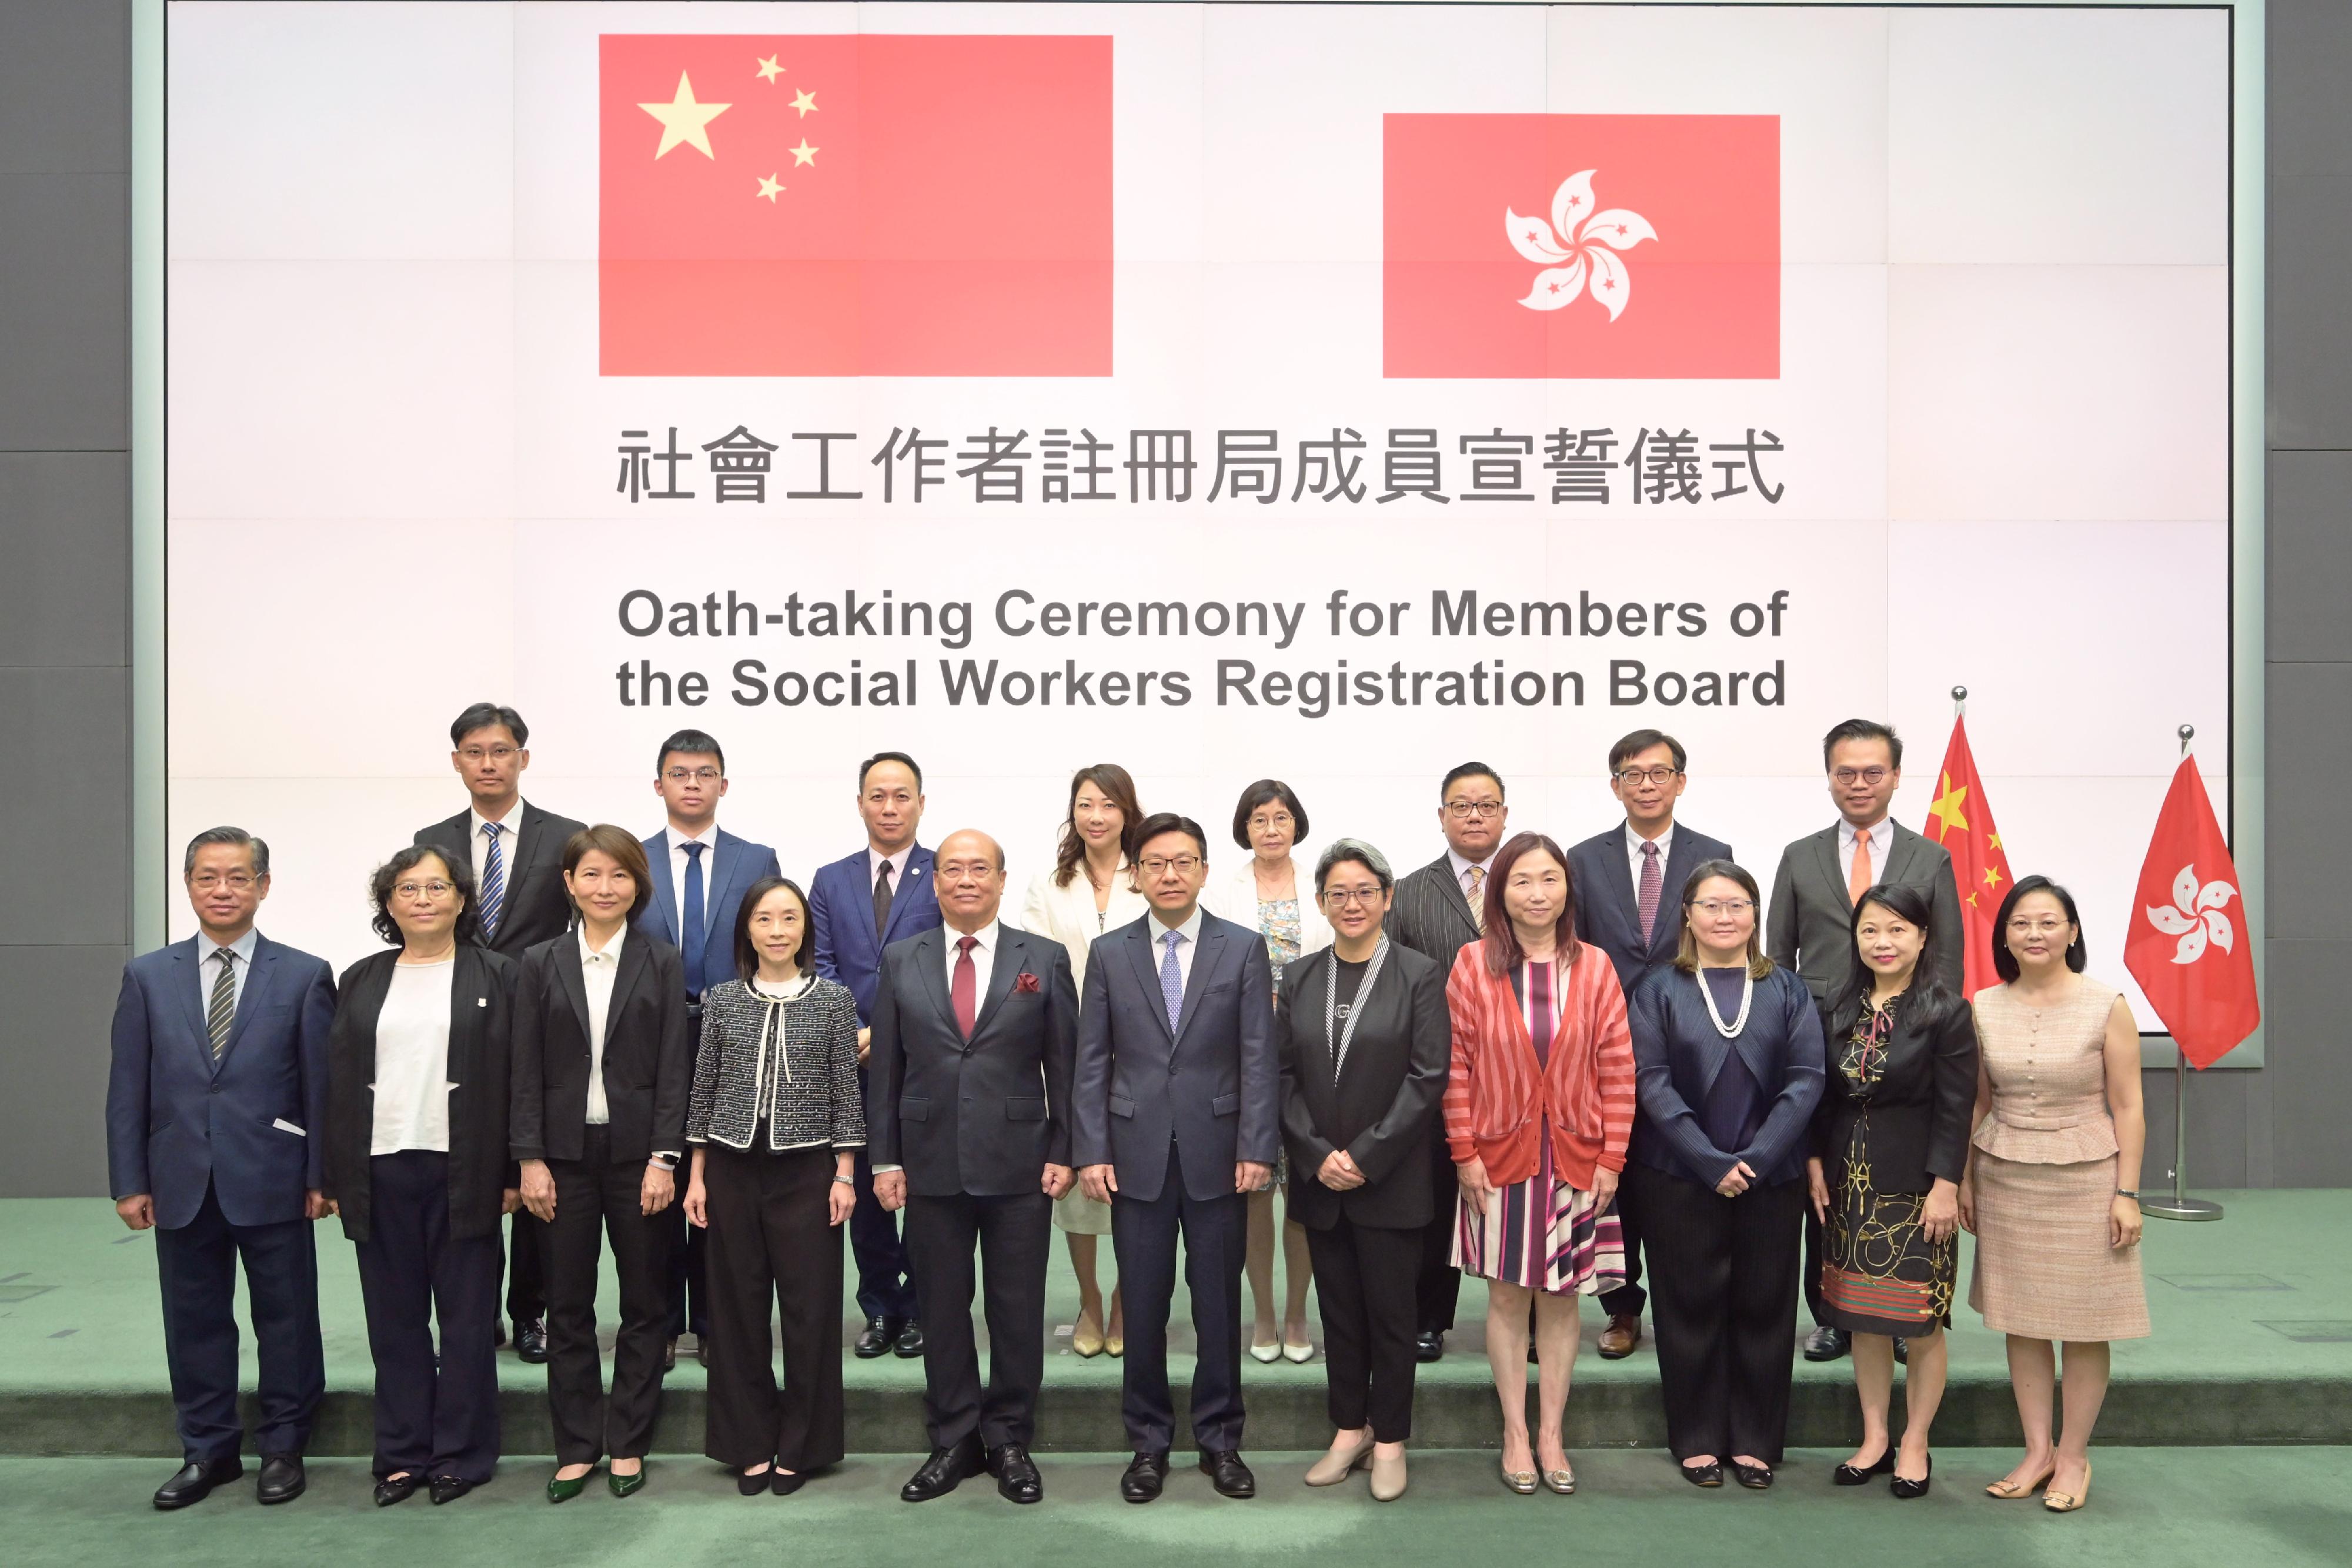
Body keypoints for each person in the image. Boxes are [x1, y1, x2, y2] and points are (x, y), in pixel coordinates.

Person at [106, 828, 336, 1510]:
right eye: (208, 877)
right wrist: (129, 1179)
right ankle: (207, 1451)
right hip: (179, 1178)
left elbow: (320, 1086)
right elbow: (128, 1085)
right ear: (188, 885)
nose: (223, 890)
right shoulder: (148, 975)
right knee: (195, 1319)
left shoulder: (303, 973)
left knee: (286, 1318)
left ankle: (284, 1446)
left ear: (263, 886)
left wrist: (321, 1175)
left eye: (238, 877)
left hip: (274, 1173)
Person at [1071, 812, 1277, 1504]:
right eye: (1155, 863)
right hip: (1134, 1159)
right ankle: (1148, 1444)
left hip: (1221, 1157)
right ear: (1136, 873)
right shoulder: (1109, 952)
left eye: (1183, 862)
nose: (1169, 874)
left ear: (1204, 871)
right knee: (1147, 1303)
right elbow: (1091, 1060)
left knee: (1218, 1305)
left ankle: (1221, 1441)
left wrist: (1256, 1146)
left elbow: (1258, 1055)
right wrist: (1092, 1150)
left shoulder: (1242, 948)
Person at [869, 830, 1079, 1506]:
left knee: (1016, 1308)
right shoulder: (902, 958)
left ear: (1000, 878)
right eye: (952, 869)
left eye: (978, 869)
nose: (965, 880)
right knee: (941, 1306)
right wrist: (885, 1157)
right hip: (928, 1165)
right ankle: (955, 1436)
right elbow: (888, 1073)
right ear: (935, 882)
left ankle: (1010, 1436)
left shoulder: (1041, 958)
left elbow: (1066, 1066)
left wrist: (1065, 1149)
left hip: (1022, 1166)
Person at [322, 845, 518, 1506]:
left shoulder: (498, 975)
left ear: (462, 900)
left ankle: (461, 1455)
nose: (424, 898)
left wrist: (517, 1170)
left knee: (466, 1322)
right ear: (389, 903)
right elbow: (336, 1080)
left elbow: (522, 1080)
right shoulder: (362, 978)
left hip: (465, 1168)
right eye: (409, 888)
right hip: (378, 1169)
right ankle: (403, 1454)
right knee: (395, 1322)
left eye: (438, 887)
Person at [1765, 718, 1962, 1364]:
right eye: (1845, 772)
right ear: (1828, 777)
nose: (1858, 783)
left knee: (1897, 1175)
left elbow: (1950, 962)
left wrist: (1929, 1034)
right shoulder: (1798, 855)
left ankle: (1903, 1312)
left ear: (1896, 777)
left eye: (1871, 772)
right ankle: (1831, 1314)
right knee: (1822, 1182)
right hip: (1820, 1044)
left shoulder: (1930, 858)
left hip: (1908, 1042)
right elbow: (1776, 957)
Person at [1623, 861, 1823, 1490]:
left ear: (1754, 915)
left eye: (1736, 905)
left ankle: (1757, 1441)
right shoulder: (1657, 988)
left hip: (1772, 1176)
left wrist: (1758, 1158)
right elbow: (1648, 1079)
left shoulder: (1786, 989)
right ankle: (1698, 1438)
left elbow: (1807, 1079)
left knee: (1765, 1307)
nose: (1724, 917)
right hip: (1678, 1176)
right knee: (1687, 1308)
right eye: (1710, 906)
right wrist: (1707, 1159)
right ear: (1687, 915)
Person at [1444, 831, 1632, 1496]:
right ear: (1501, 892)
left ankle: (1551, 1431)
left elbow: (1617, 1067)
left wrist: (1613, 1155)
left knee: (1561, 1298)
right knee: (1506, 1297)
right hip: (1499, 1160)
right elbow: (1456, 1067)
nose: (1537, 893)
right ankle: (1515, 1432)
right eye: (1522, 880)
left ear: (1566, 890)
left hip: (1577, 1158)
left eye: (1549, 879)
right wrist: (1463, 1151)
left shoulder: (1597, 967)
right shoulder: (1473, 964)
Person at [511, 826, 692, 1502]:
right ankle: (577, 1445)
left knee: (646, 1305)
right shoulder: (540, 961)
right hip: (561, 1158)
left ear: (637, 885)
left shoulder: (662, 960)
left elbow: (676, 1068)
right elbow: (523, 1068)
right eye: (590, 875)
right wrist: (528, 1158)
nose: (604, 888)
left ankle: (629, 1441)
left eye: (618, 876)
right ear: (569, 883)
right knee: (568, 1305)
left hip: (639, 1157)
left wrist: (664, 1158)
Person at [1959, 876, 2149, 1513]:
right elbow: (1978, 1101)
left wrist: (2127, 1192)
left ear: (2071, 932)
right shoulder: (1983, 1006)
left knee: (2084, 1323)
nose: (2034, 934)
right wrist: (1962, 1177)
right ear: (2003, 937)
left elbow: (2128, 1105)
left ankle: (2073, 1456)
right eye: (2020, 924)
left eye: (2047, 922)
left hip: (2088, 1177)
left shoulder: (2106, 1004)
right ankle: (2036, 1450)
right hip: (2005, 1173)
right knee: (2023, 1319)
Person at [1277, 840, 1448, 1503]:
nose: (1352, 904)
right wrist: (1318, 1155)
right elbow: (1283, 1076)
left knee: (1391, 1317)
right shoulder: (1299, 976)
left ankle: (1392, 1439)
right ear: (1321, 903)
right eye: (1338, 894)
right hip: (1321, 1180)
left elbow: (1427, 1077)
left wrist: (1367, 1156)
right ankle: (1349, 1429)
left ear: (1387, 897)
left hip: (1392, 1179)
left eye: (1364, 892)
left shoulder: (1418, 973)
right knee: (1340, 1314)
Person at [415, 701, 584, 1365]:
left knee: (537, 1170)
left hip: (544, 1021)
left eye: (501, 751)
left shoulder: (565, 835)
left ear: (524, 759)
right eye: (475, 753)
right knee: (474, 1171)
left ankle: (532, 1313)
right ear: (458, 761)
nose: (489, 763)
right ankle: (475, 1310)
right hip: (460, 1028)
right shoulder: (432, 839)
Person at [683, 876, 863, 1496]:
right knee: (736, 1311)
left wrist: (844, 1174)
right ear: (748, 930)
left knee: (810, 1314)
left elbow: (847, 1093)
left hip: (808, 1173)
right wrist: (696, 1178)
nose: (779, 930)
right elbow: (703, 1090)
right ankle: (748, 1442)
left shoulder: (835, 1001)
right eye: (765, 919)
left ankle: (803, 1445)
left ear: (804, 930)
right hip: (731, 1170)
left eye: (790, 919)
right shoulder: (723, 999)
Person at [1567, 729, 1733, 1362]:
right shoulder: (1582, 860)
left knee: (1678, 1182)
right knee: (1618, 1184)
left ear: (1679, 782)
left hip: (1689, 1046)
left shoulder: (1712, 853)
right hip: (1603, 1047)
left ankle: (1684, 1306)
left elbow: (1727, 945)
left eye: (1658, 773)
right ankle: (1621, 1307)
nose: (1645, 784)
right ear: (1615, 785)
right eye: (1631, 775)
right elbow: (1574, 956)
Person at [1807, 881, 1977, 1499]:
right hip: (1848, 1188)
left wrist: (1945, 1185)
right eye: (1871, 930)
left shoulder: (1945, 1011)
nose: (1884, 942)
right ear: (1855, 938)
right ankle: (1876, 1435)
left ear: (1923, 936)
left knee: (1919, 1321)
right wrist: (1814, 1160)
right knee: (1863, 1319)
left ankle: (1915, 1441)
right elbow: (1821, 1097)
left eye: (1898, 929)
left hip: (1915, 1190)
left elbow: (1957, 1110)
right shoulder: (1838, 1007)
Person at [633, 728, 782, 1369]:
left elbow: (770, 946)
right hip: (650, 1040)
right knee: (660, 1178)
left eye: (704, 773)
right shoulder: (629, 861)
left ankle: (719, 1319)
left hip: (735, 1036)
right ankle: (664, 1321)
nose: (691, 783)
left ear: (723, 784)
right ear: (659, 783)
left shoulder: (756, 859)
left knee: (721, 1180)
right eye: (678, 773)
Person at [810, 751, 940, 1359]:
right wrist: (855, 1029)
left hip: (925, 1062)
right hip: (852, 1060)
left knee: (925, 1191)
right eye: (878, 795)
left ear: (919, 802)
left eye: (902, 795)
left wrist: (891, 1033)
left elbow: (947, 962)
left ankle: (920, 1307)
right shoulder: (830, 879)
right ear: (860, 802)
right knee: (862, 1190)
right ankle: (880, 1307)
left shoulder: (945, 873)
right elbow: (822, 964)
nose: (889, 807)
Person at [1017, 763, 1146, 1357]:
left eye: (1108, 805)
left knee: (1135, 1182)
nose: (1096, 816)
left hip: (1144, 1048)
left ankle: (1124, 1303)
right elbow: (1037, 964)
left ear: (1127, 811)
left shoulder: (1148, 873)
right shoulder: (1051, 882)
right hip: (1069, 1049)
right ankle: (1091, 1302)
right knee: (1076, 1185)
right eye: (1085, 804)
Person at [1384, 760, 1510, 1362]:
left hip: (1521, 1077)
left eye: (1486, 805)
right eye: (1461, 805)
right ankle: (1429, 1316)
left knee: (1518, 1196)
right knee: (1434, 1198)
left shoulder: (1534, 883)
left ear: (1504, 815)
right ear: (1441, 817)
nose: (1475, 815)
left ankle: (1527, 1320)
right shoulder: (1407, 894)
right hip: (1437, 1072)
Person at [1207, 778, 1331, 1363]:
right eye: (1259, 819)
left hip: (1310, 1056)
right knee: (1255, 1187)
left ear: (1295, 824)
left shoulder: (1321, 883)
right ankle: (1260, 1313)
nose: (1271, 829)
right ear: (1245, 828)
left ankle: (1296, 1314)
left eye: (1281, 818)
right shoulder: (1224, 889)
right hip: (1245, 1054)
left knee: (1302, 1191)